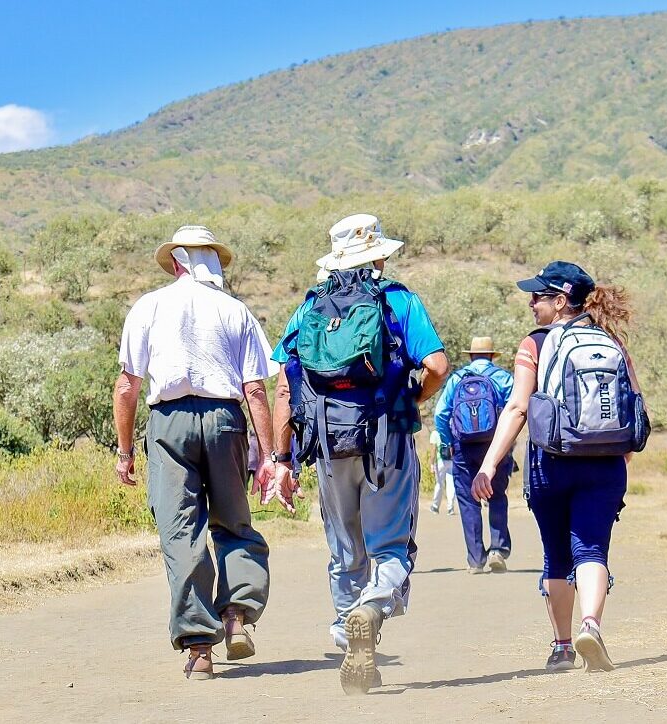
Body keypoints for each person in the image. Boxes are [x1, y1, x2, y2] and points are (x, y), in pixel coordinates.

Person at [264, 213, 449, 694]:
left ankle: (352, 640)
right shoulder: (397, 300)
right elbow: (437, 365)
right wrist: (412, 400)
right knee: (389, 544)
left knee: (346, 549)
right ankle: (373, 608)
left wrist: (281, 458)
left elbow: (285, 386)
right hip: (387, 438)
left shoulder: (310, 307)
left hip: (328, 442)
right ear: (379, 256)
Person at [111, 225, 281, 681]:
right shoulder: (235, 311)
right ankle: (237, 616)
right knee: (234, 523)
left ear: (175, 263)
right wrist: (268, 457)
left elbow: (128, 386)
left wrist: (126, 451)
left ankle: (200, 647)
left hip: (168, 423)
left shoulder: (148, 306)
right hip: (226, 420)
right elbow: (256, 391)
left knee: (181, 533)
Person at [471, 261, 646, 674]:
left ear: (561, 301)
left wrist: (489, 464)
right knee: (592, 548)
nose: (532, 304)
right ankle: (592, 625)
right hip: (605, 467)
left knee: (556, 556)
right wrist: (618, 456)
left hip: (551, 463)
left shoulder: (534, 344)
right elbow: (635, 407)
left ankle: (563, 647)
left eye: (538, 296)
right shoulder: (611, 341)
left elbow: (517, 408)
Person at [433, 336, 514, 573]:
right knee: (497, 496)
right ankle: (498, 549)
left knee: (469, 501)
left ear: (470, 356)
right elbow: (516, 410)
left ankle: (476, 559)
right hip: (495, 447)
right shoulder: (502, 378)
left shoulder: (458, 378)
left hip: (464, 448)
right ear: (491, 355)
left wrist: (448, 442)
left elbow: (440, 414)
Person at [428, 428, 455, 515]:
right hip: (450, 461)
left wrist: (432, 464)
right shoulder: (448, 432)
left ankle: (435, 506)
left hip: (440, 461)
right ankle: (450, 508)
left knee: (439, 484)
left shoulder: (435, 433)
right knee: (450, 484)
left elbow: (433, 450)